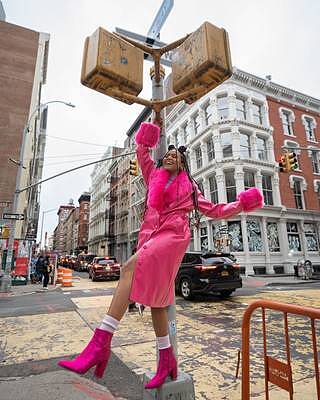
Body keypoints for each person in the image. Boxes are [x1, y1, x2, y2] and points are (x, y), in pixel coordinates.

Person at [58, 122, 264, 388]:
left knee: (129, 268)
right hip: (151, 235)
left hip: (174, 235)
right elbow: (142, 153)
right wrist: (146, 137)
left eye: (175, 156)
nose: (168, 156)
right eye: (166, 154)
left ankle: (100, 344)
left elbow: (214, 210)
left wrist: (243, 204)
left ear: (183, 164)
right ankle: (167, 360)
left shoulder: (189, 187)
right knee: (158, 300)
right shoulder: (153, 176)